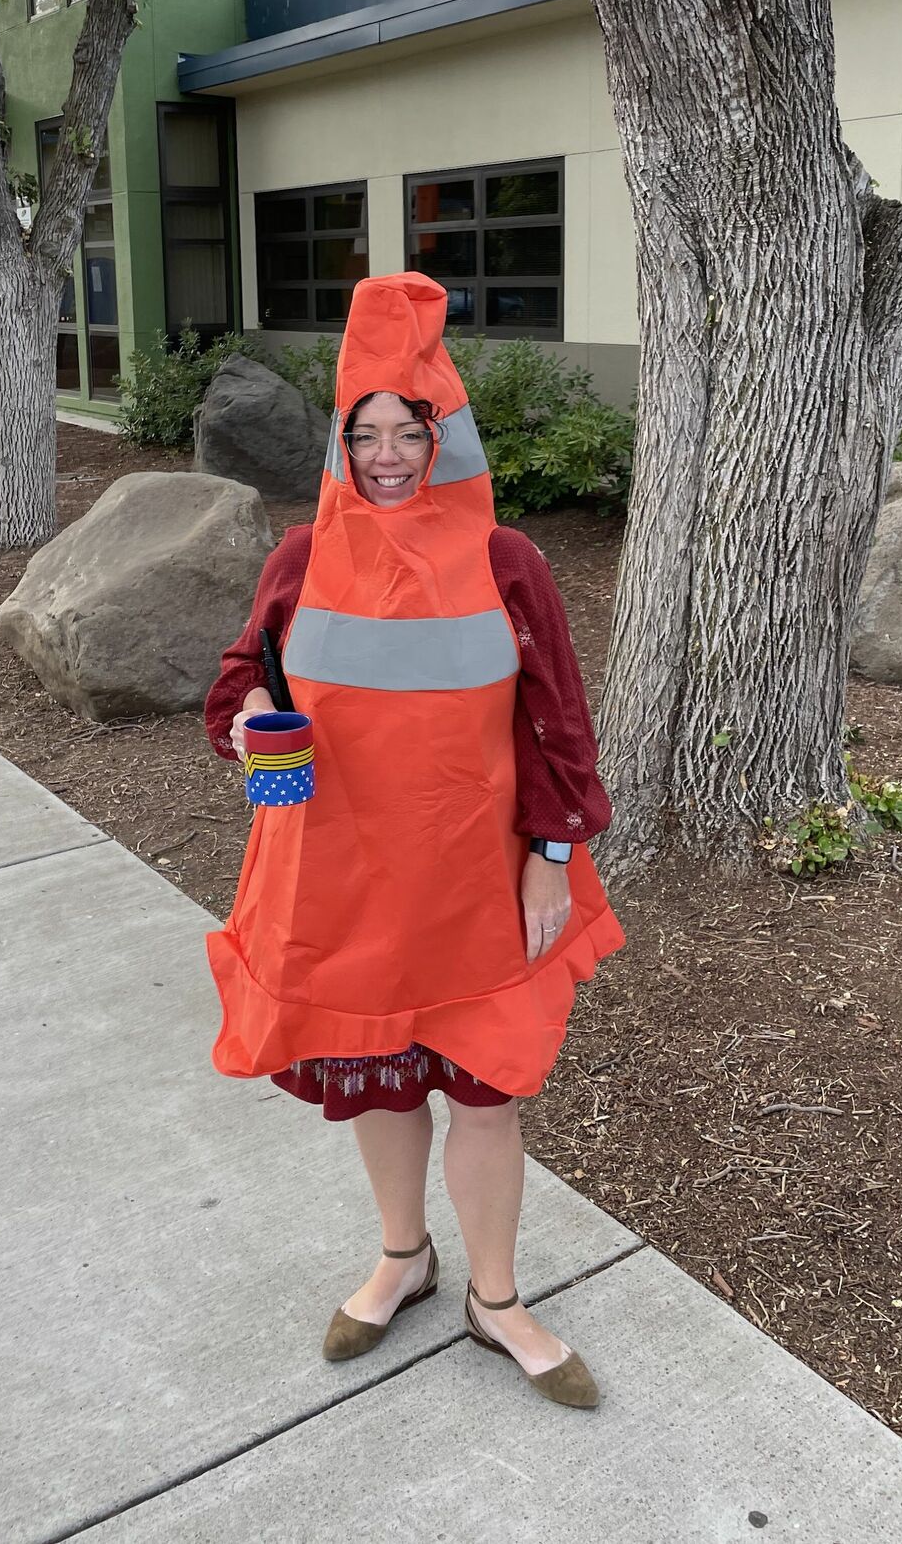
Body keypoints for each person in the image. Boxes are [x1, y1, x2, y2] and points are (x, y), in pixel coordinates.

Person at [204, 271, 624, 1408]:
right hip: (337, 876)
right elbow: (243, 677)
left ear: (447, 439)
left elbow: (558, 722)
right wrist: (245, 717)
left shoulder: (506, 563)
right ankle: (405, 1255)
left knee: (484, 1087)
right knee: (379, 1078)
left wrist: (550, 851)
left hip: (474, 876)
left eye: (409, 430)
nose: (388, 454)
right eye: (366, 432)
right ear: (339, 445)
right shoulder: (299, 557)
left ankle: (495, 1297)